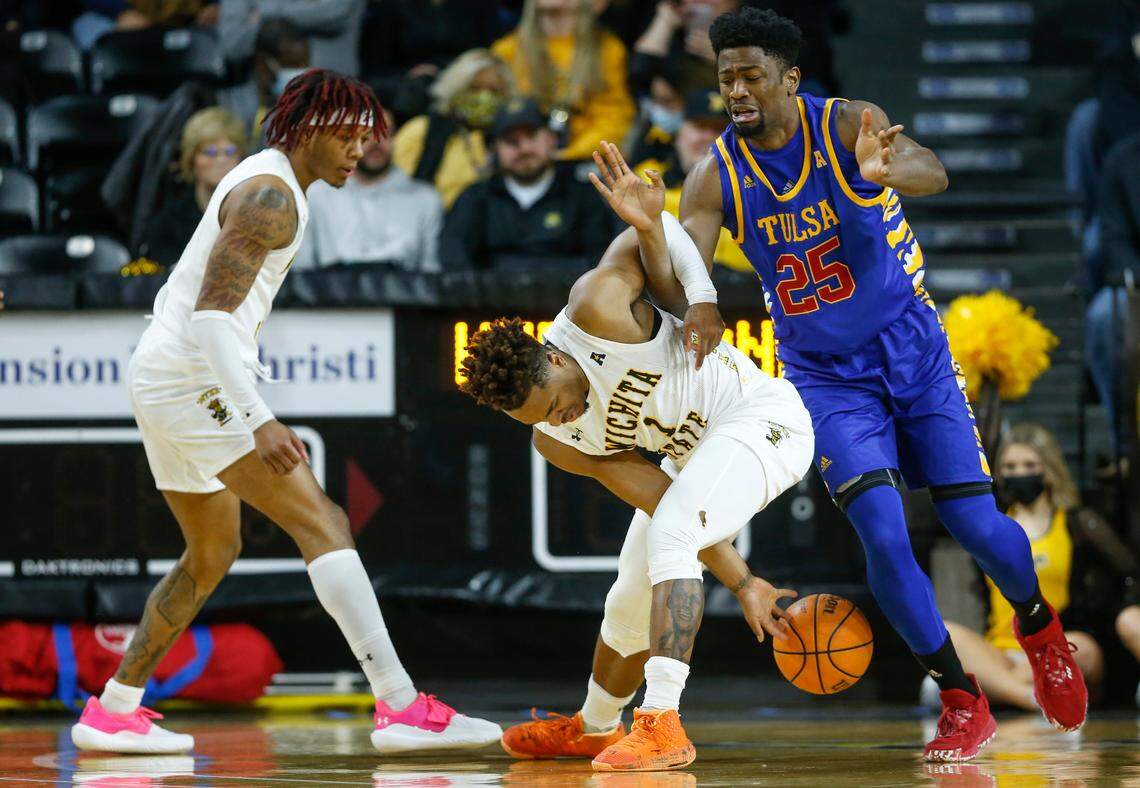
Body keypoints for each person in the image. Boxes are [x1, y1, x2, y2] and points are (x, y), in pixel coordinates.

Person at [673, 7, 1087, 761]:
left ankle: (1037, 626)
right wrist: (696, 299)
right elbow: (686, 267)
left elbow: (935, 170)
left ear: (789, 79)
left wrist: (886, 171)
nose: (735, 89)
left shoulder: (849, 126)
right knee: (885, 535)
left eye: (751, 76)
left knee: (981, 530)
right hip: (826, 377)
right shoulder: (712, 177)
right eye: (726, 75)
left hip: (914, 352)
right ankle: (962, 697)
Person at [69, 69, 501, 755]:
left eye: (367, 139)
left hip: (165, 374)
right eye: (349, 137)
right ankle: (400, 705)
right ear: (307, 130)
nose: (359, 152)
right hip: (190, 375)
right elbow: (212, 320)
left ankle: (112, 710)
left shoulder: (275, 183)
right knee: (323, 521)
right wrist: (259, 416)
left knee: (213, 551)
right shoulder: (270, 195)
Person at [461, 141, 814, 771]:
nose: (560, 420)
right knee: (627, 599)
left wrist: (693, 285)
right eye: (540, 421)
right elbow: (657, 494)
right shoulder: (555, 439)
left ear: (557, 358)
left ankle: (663, 722)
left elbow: (655, 236)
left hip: (764, 421)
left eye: (556, 403)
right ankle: (595, 727)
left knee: (672, 535)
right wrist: (746, 582)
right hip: (694, 460)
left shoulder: (596, 308)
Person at [931, 425, 1105, 711]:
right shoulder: (991, 526)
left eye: (1029, 465)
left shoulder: (1076, 524)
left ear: (1048, 469)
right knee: (946, 632)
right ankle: (1034, 699)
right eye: (1010, 466)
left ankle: (991, 689)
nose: (1019, 473)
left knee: (1084, 647)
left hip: (1056, 646)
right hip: (1000, 652)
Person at [440, 98, 612, 270]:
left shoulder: (583, 196)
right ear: (494, 150)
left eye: (532, 136)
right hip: (490, 297)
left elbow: (602, 262)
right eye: (511, 141)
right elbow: (455, 263)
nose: (524, 149)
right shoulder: (475, 198)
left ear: (551, 139)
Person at [297, 108, 443, 271]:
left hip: (400, 294)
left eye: (385, 134)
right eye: (365, 135)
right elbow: (301, 271)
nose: (376, 143)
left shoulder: (425, 200)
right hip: (331, 294)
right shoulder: (313, 196)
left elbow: (431, 275)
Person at [491, 0, 635, 161]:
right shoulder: (506, 51)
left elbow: (613, 117)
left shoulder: (608, 50)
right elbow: (497, 117)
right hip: (521, 160)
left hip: (584, 163)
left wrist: (568, 155)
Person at [633, 88, 750, 272]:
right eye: (700, 127)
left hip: (747, 294)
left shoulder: (757, 186)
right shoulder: (646, 178)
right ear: (679, 133)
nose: (710, 139)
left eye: (720, 129)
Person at [391, 48, 515, 210]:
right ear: (455, 88)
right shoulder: (420, 131)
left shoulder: (510, 138)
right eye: (475, 88)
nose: (484, 98)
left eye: (494, 91)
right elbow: (394, 192)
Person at [140, 107, 246, 267]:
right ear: (191, 159)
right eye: (210, 152)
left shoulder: (255, 214)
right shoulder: (168, 224)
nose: (221, 160)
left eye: (230, 151)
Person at [216, 16, 311, 148]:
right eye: (291, 65)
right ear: (262, 64)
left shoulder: (311, 106)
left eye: (304, 65)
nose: (300, 74)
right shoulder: (231, 109)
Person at [219, 0, 365, 79]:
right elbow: (232, 43)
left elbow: (337, 12)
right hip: (266, 102)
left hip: (335, 95)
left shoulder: (264, 11)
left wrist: (264, 16)